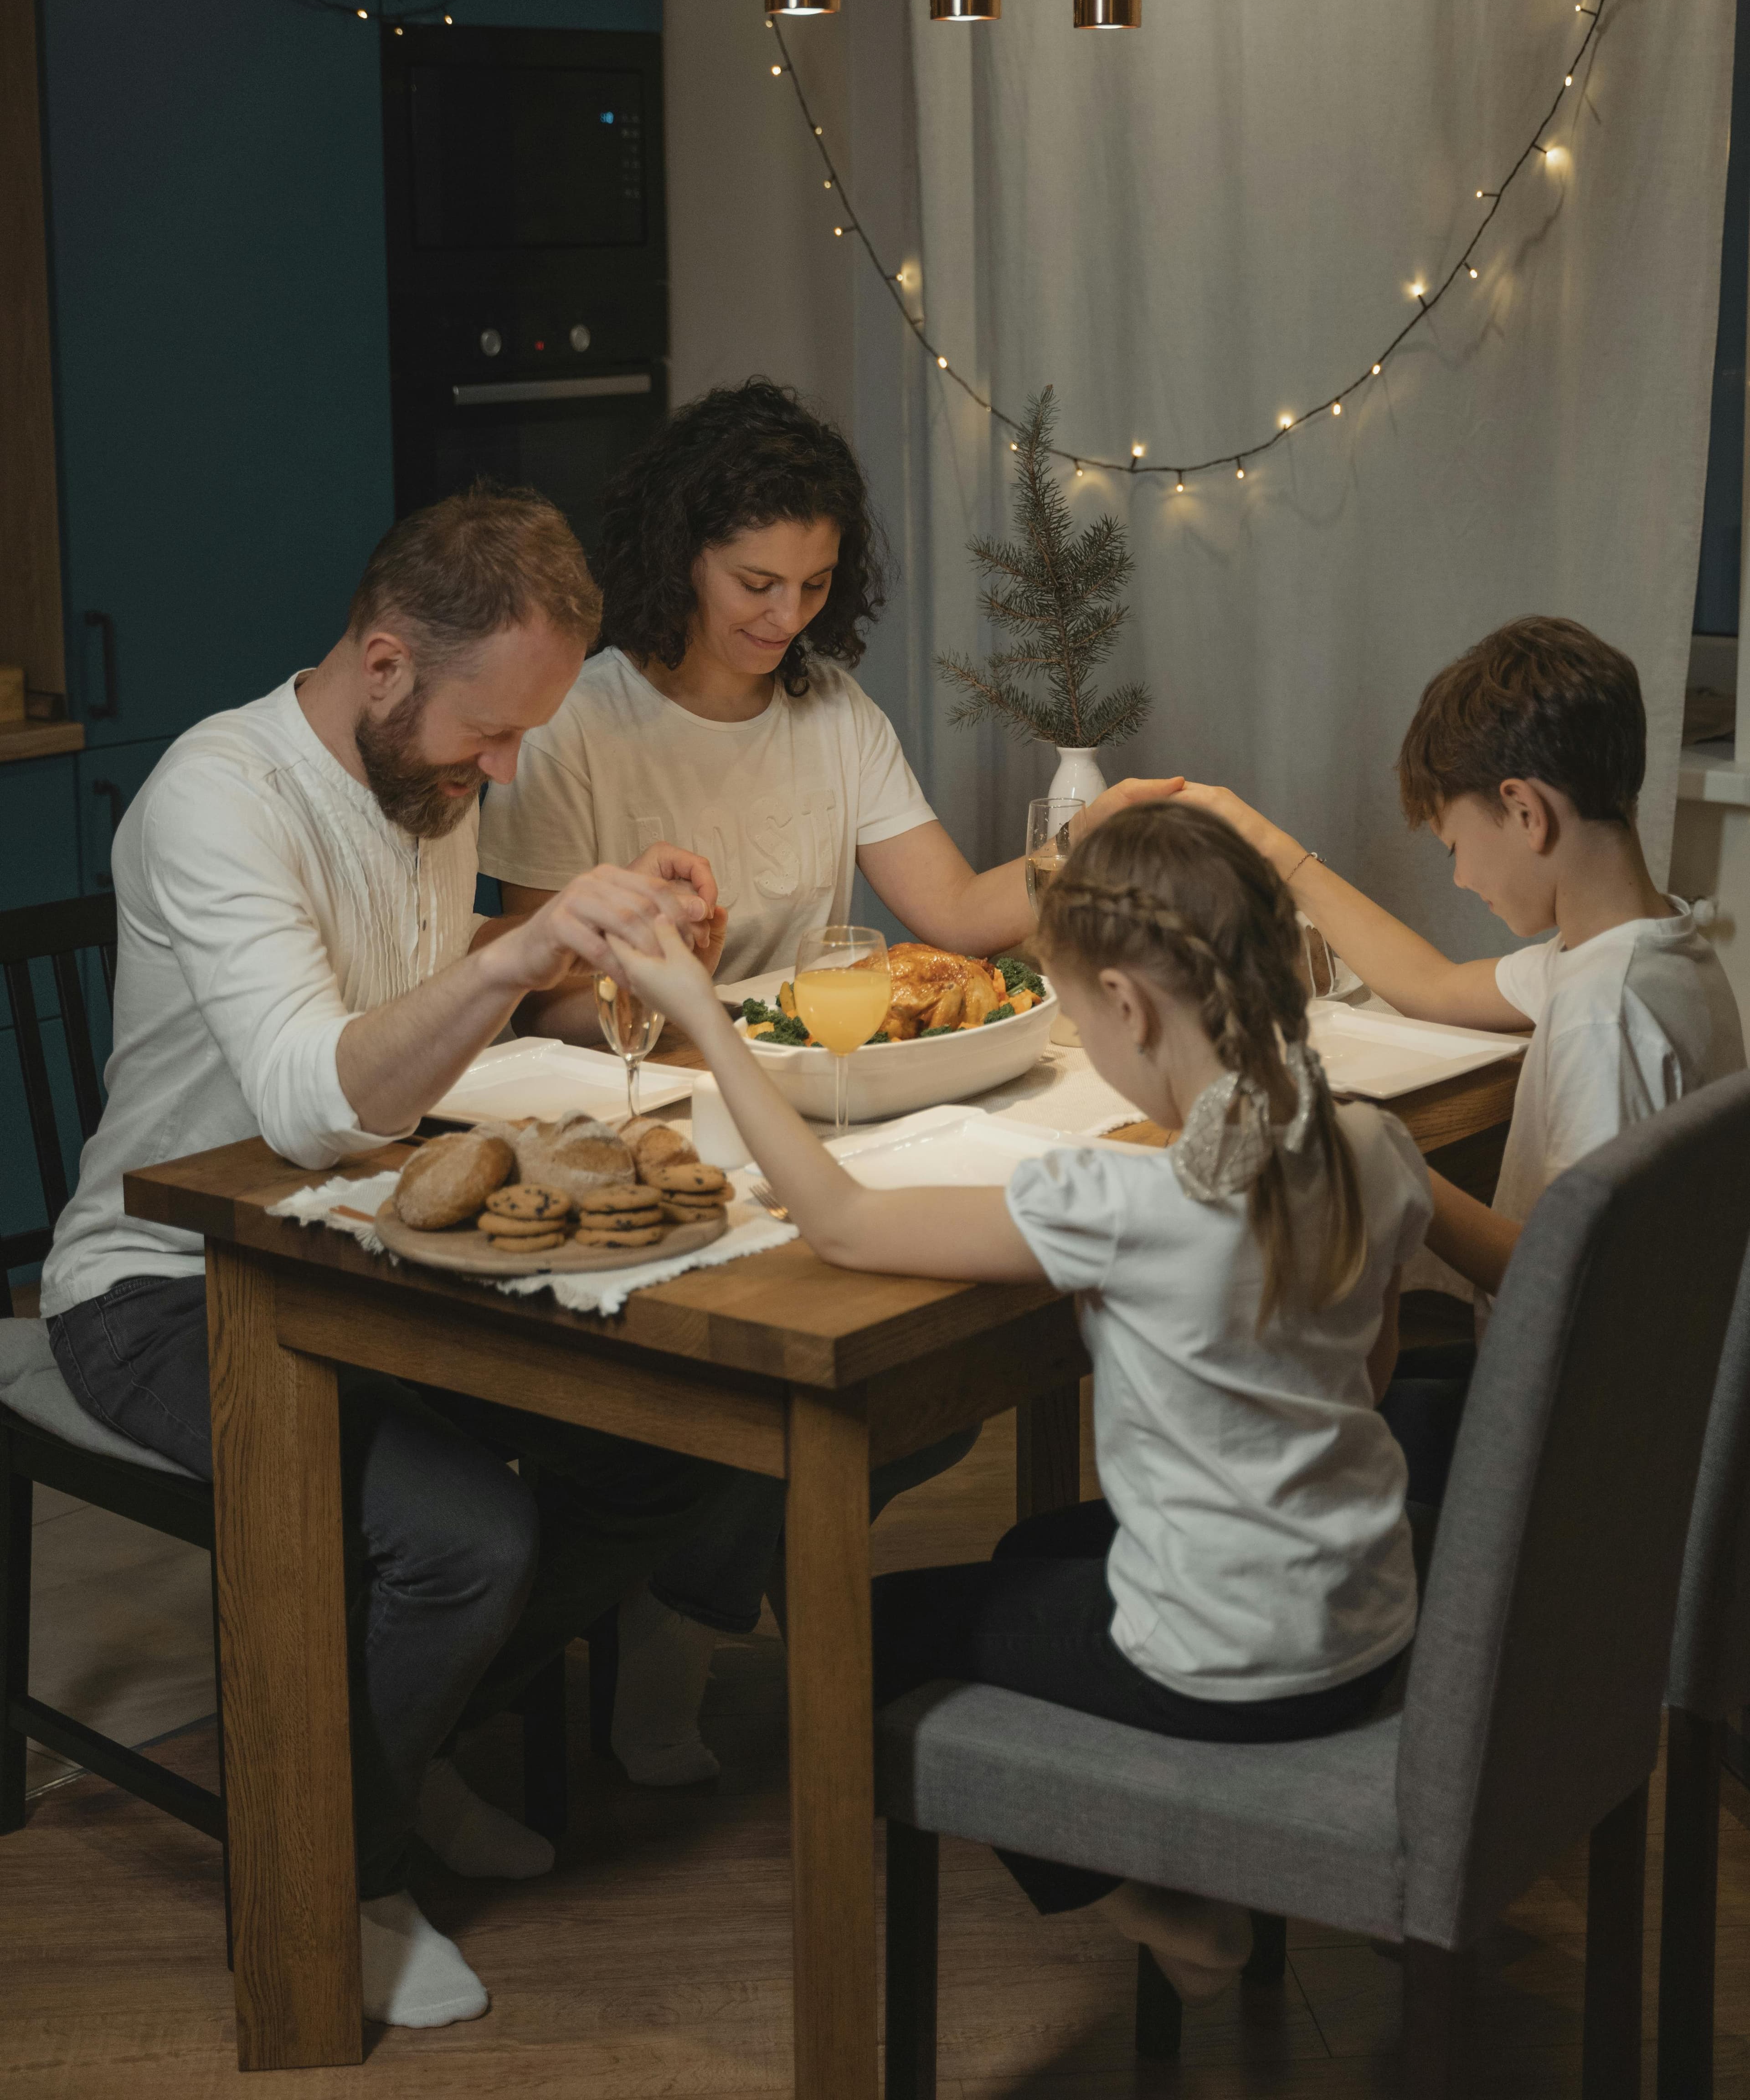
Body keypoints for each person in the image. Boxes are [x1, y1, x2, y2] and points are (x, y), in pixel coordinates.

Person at [38, 487, 739, 2032]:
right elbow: (312, 1100)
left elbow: (428, 1020)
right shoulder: (218, 796)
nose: (507, 770)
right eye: (492, 734)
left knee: (672, 1454)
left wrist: (611, 955)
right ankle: (334, 1869)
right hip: (163, 1280)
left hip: (367, 1252)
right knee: (466, 1538)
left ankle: (391, 1756)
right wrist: (519, 948)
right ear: (381, 665)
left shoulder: (426, 774)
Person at [602, 801, 1432, 2000]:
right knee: (1032, 1551)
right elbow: (1371, 1376)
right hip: (1368, 1615)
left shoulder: (1133, 1203)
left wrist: (702, 1013)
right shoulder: (1371, 1145)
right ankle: (1169, 1842)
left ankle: (1152, 1898)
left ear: (1129, 1006)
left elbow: (841, 1224)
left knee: (868, 1631)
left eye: (1081, 1018)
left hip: (1227, 1665)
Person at [478, 380, 1183, 1785]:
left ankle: (685, 1595)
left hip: (817, 1110)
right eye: (757, 583)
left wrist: (1079, 851)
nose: (786, 616)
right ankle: (672, 1623)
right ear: (681, 552)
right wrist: (655, 970)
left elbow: (950, 912)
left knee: (933, 1386)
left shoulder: (830, 709)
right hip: (653, 1112)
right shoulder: (583, 720)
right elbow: (532, 994)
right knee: (806, 1391)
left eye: (813, 585)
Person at [1171, 616, 1745, 1499]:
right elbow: (1431, 986)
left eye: (1454, 847)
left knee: (1254, 1435)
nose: (1460, 878)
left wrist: (1392, 1164)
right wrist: (1270, 846)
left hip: (1564, 1459)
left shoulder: (1603, 1015)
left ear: (1526, 812)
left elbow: (1566, 1275)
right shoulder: (1651, 951)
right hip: (1621, 1420)